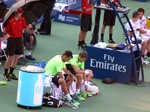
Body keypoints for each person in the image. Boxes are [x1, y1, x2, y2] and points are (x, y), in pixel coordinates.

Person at [2, 7, 33, 81]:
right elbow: (5, 32)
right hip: (11, 39)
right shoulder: (10, 21)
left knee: (17, 56)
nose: (21, 13)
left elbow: (26, 28)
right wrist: (4, 32)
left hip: (19, 38)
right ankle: (5, 74)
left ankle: (11, 73)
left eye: (22, 12)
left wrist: (30, 28)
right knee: (10, 57)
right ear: (16, 13)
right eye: (20, 12)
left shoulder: (22, 19)